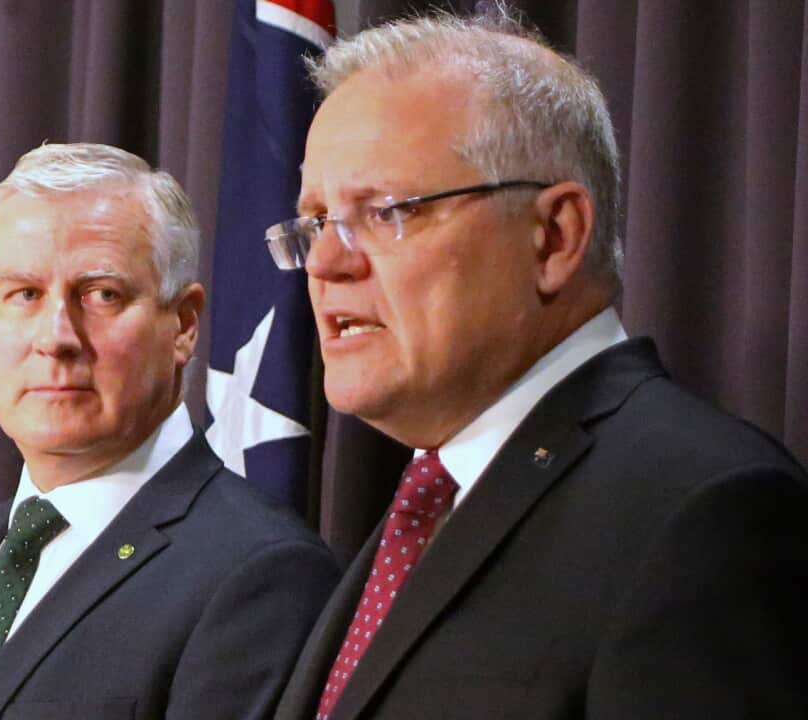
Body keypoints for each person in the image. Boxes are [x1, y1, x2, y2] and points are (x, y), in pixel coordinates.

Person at [269, 9, 808, 720]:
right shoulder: (432, 501)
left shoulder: (703, 512)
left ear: (554, 236)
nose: (325, 263)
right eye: (316, 222)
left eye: (386, 212)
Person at [0, 143, 339, 720]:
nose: (56, 337)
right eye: (24, 295)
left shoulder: (260, 573)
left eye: (101, 295)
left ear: (184, 325)